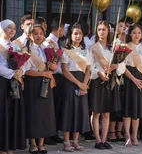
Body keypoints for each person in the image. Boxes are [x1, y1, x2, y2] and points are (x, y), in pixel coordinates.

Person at [22, 24, 58, 154]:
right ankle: (32, 143)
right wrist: (43, 73)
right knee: (33, 113)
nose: (38, 36)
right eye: (35, 33)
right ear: (30, 35)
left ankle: (42, 143)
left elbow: (53, 68)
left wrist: (53, 67)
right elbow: (26, 71)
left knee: (45, 114)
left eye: (41, 33)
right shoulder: (26, 50)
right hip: (33, 83)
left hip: (46, 82)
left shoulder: (46, 49)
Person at [89, 21, 125, 150]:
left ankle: (104, 139)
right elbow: (95, 65)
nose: (101, 32)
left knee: (106, 113)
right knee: (96, 112)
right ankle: (97, 140)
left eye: (104, 30)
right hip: (98, 80)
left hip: (110, 80)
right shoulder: (94, 47)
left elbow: (120, 64)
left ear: (108, 31)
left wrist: (117, 65)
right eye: (99, 29)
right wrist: (101, 72)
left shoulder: (113, 47)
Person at [59, 23, 91, 152]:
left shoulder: (86, 51)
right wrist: (79, 84)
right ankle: (66, 141)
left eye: (80, 33)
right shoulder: (65, 51)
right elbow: (65, 71)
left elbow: (88, 69)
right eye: (75, 33)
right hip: (70, 83)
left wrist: (85, 85)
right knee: (69, 111)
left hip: (83, 82)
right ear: (70, 35)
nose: (78, 36)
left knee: (80, 111)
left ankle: (75, 141)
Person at [122, 24, 142, 147]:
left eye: (139, 33)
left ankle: (135, 134)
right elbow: (122, 66)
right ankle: (127, 135)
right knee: (128, 108)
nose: (137, 35)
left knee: (137, 110)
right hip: (130, 78)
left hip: (141, 79)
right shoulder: (125, 47)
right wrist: (134, 79)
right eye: (134, 32)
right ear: (130, 34)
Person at [0, 20, 26, 154]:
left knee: (11, 114)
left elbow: (23, 63)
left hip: (14, 82)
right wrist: (13, 73)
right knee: (2, 114)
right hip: (2, 82)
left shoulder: (15, 46)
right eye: (8, 28)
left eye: (14, 28)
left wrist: (21, 71)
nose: (12, 30)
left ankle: (10, 145)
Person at [42, 17, 65, 145]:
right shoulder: (48, 42)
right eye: (63, 29)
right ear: (60, 28)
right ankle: (47, 134)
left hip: (59, 77)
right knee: (51, 106)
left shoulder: (57, 41)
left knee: (56, 106)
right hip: (52, 76)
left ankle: (54, 132)